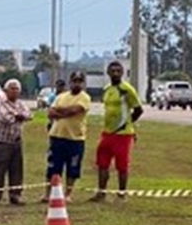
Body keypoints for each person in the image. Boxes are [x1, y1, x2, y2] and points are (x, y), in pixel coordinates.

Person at [90, 61, 144, 202]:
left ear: (122, 73)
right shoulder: (107, 89)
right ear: (108, 73)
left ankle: (121, 194)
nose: (115, 73)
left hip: (123, 134)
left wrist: (128, 124)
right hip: (107, 133)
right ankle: (101, 193)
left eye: (118, 71)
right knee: (102, 162)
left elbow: (138, 109)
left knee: (122, 164)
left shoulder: (127, 89)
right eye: (112, 71)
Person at [42, 71, 91, 203]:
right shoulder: (61, 97)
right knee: (53, 166)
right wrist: (64, 112)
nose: (77, 83)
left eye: (80, 81)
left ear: (83, 83)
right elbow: (51, 113)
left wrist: (60, 112)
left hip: (75, 139)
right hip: (57, 137)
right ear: (70, 82)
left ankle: (67, 194)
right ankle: (48, 194)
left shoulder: (84, 97)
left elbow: (75, 111)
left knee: (72, 168)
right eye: (74, 80)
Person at [0, 78, 31, 205]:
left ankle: (15, 195)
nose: (14, 91)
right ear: (5, 90)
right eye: (12, 88)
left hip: (17, 141)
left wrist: (16, 115)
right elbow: (5, 118)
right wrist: (19, 116)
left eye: (17, 89)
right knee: (0, 169)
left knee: (17, 170)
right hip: (3, 141)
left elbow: (29, 115)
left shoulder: (21, 103)